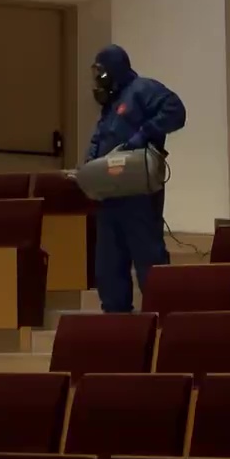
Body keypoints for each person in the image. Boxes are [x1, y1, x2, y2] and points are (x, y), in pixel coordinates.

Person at [84, 44, 186, 313]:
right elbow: (99, 140)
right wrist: (88, 167)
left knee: (148, 258)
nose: (98, 79)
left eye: (101, 72)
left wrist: (145, 133)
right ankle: (117, 325)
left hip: (138, 192)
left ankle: (163, 319)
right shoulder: (111, 105)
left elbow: (175, 110)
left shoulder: (142, 89)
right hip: (110, 195)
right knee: (109, 264)